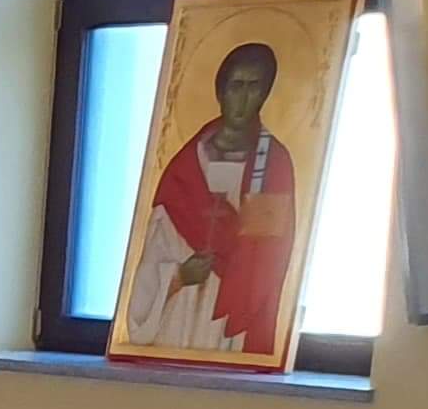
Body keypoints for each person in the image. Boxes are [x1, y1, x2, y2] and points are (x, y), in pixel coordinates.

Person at [122, 41, 299, 357]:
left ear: (266, 93)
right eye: (235, 86)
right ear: (220, 91)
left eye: (254, 87)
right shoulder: (186, 164)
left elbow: (265, 257)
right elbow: (154, 255)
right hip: (178, 315)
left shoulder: (273, 164)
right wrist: (179, 276)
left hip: (229, 320)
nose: (243, 100)